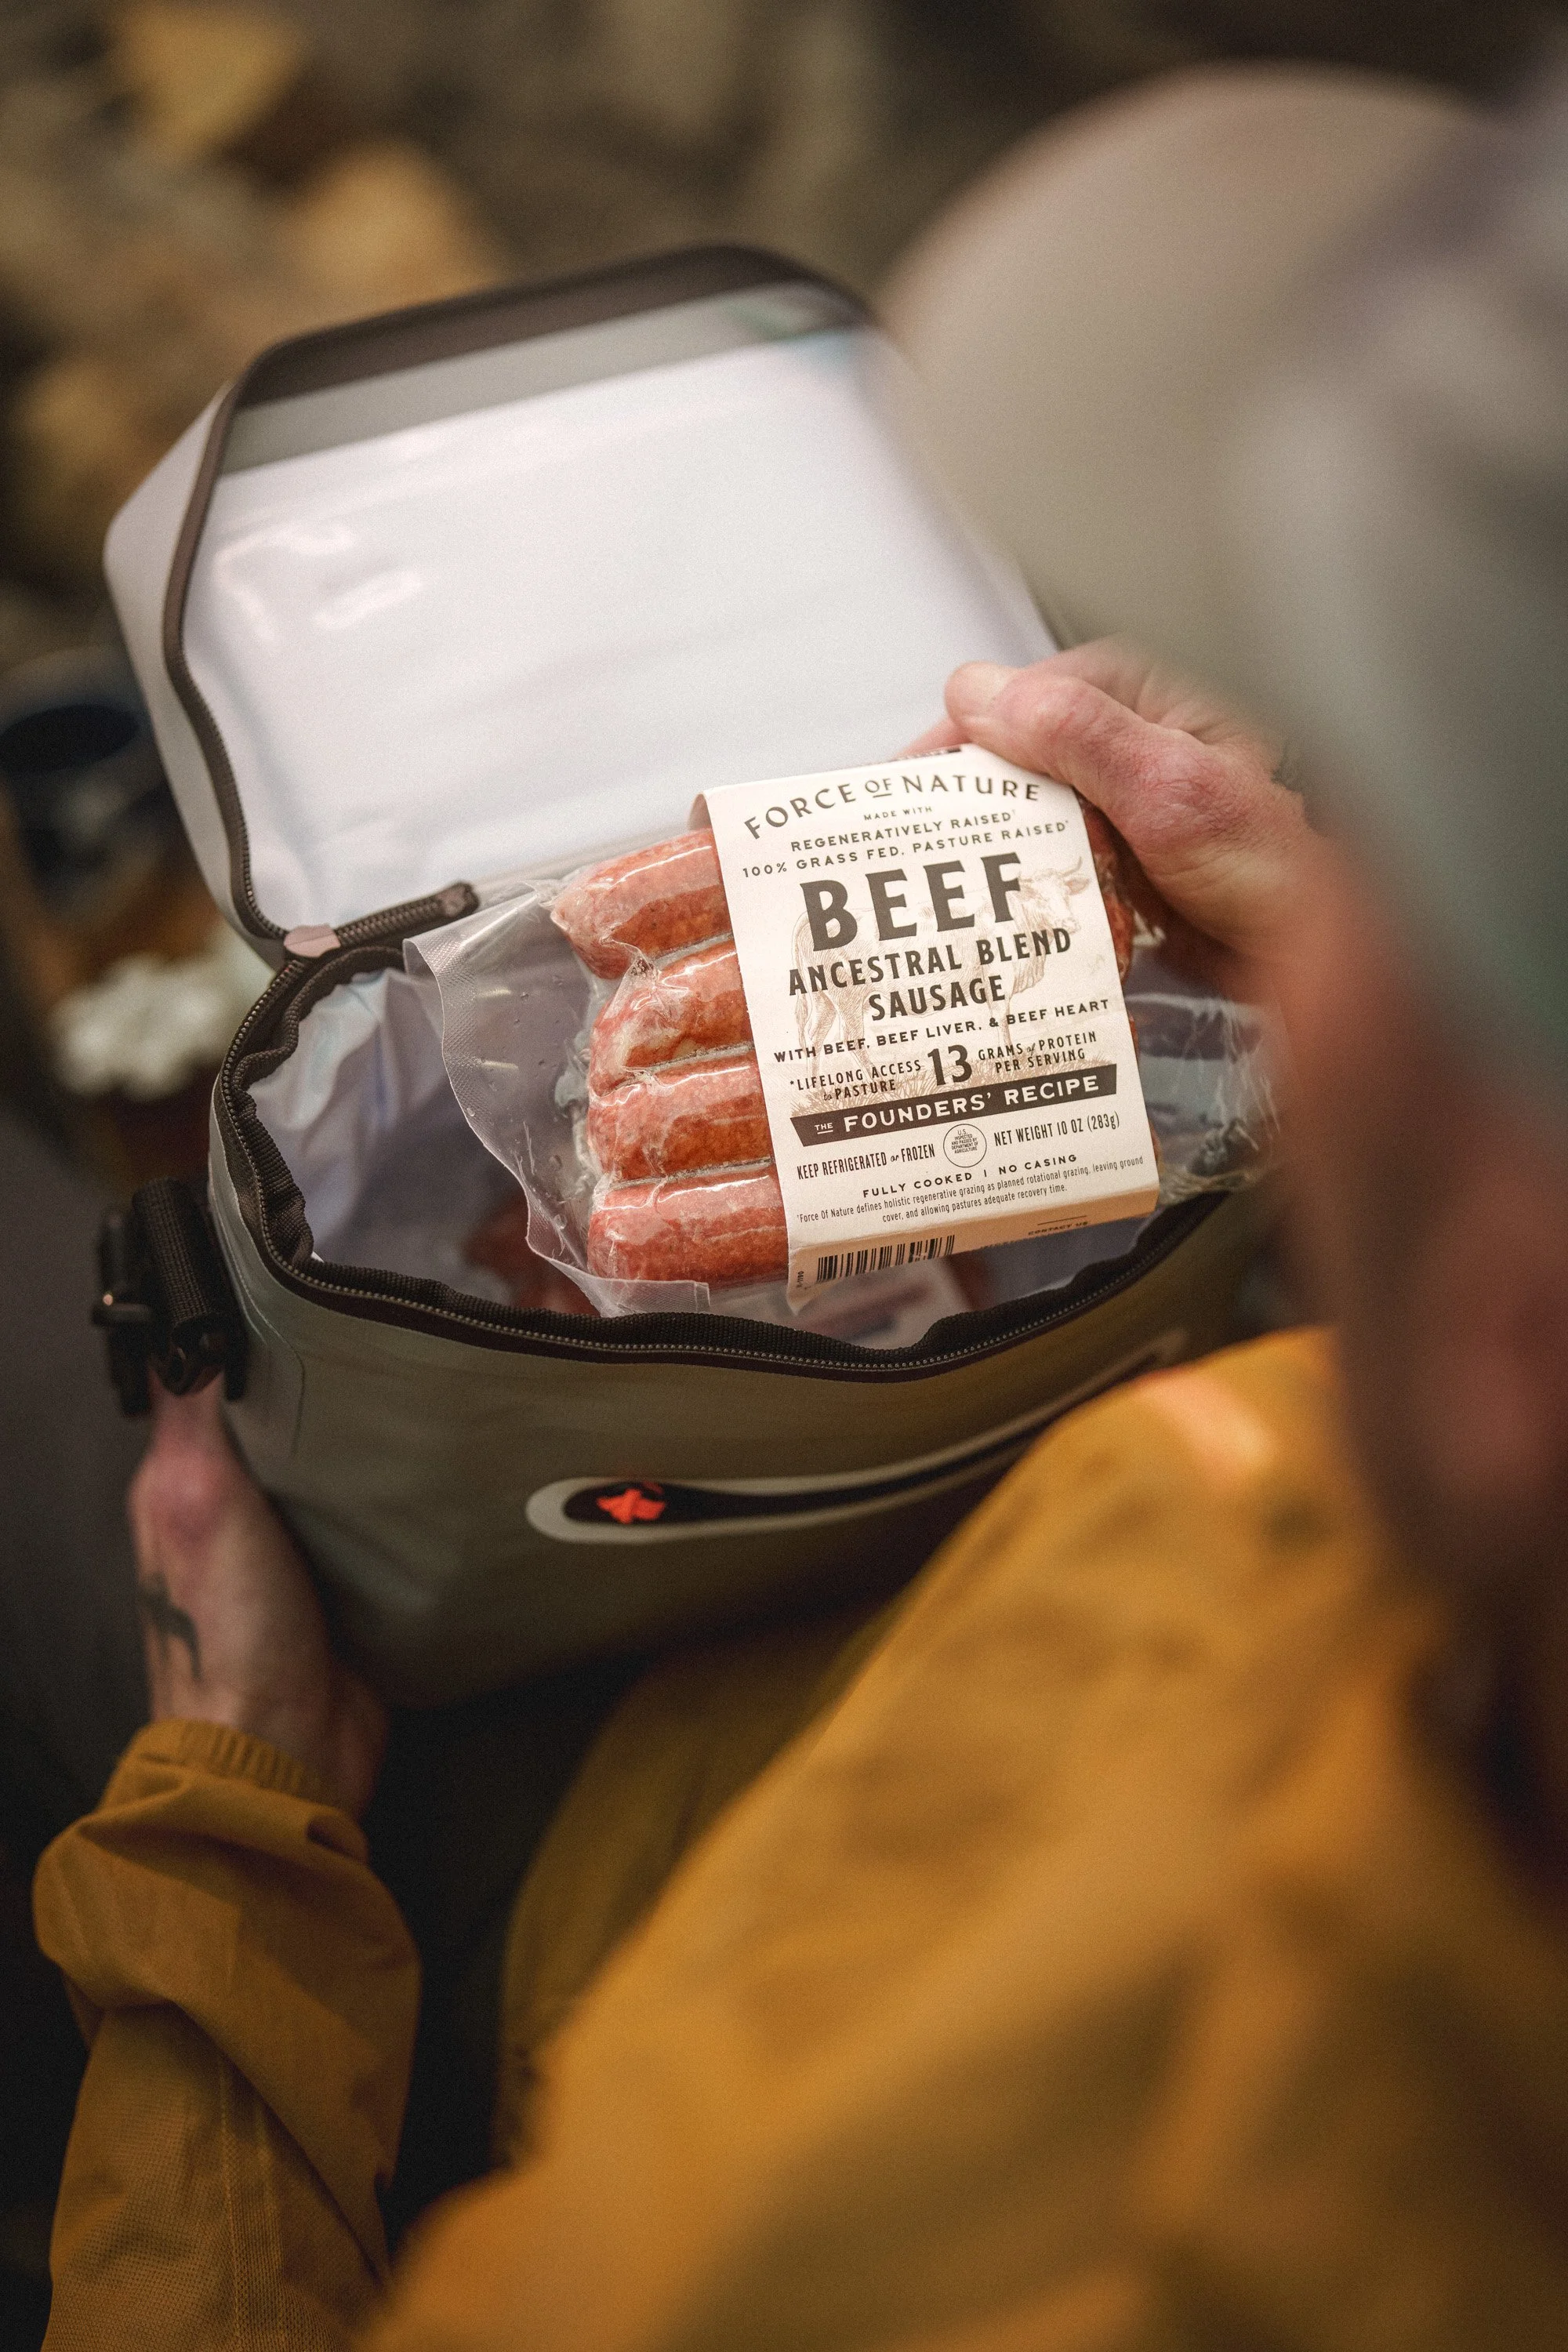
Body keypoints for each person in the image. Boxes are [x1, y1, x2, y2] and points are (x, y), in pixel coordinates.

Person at [30, 58, 1568, 2350]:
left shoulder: (903, 2266)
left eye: (1407, 912)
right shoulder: (1421, 1571)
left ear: (1508, 1320)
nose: (1298, 893)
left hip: (464, 1896)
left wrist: (232, 1819)